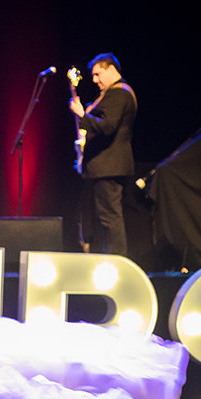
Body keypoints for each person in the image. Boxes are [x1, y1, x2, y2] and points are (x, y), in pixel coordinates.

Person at [69, 53, 137, 256]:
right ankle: (111, 259)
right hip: (104, 166)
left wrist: (82, 114)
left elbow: (107, 127)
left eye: (98, 74)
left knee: (110, 217)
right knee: (105, 217)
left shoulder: (119, 93)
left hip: (109, 166)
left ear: (110, 69)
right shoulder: (113, 94)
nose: (95, 80)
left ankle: (117, 262)